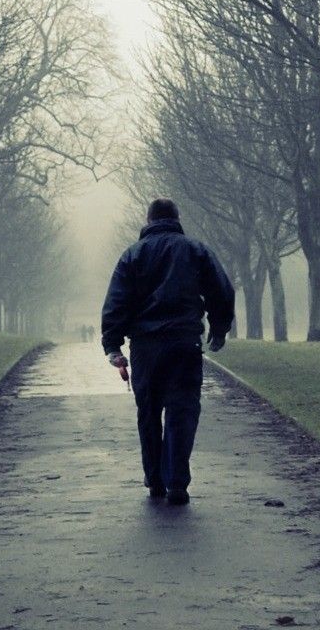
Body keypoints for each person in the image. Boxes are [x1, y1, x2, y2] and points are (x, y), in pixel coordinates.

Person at [100, 197, 235, 505]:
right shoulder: (195, 250)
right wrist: (219, 327)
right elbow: (221, 290)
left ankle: (154, 479)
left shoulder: (132, 256)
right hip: (184, 342)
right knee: (182, 410)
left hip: (146, 346)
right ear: (176, 219)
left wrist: (113, 345)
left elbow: (116, 302)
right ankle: (177, 481)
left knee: (148, 412)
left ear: (148, 221)